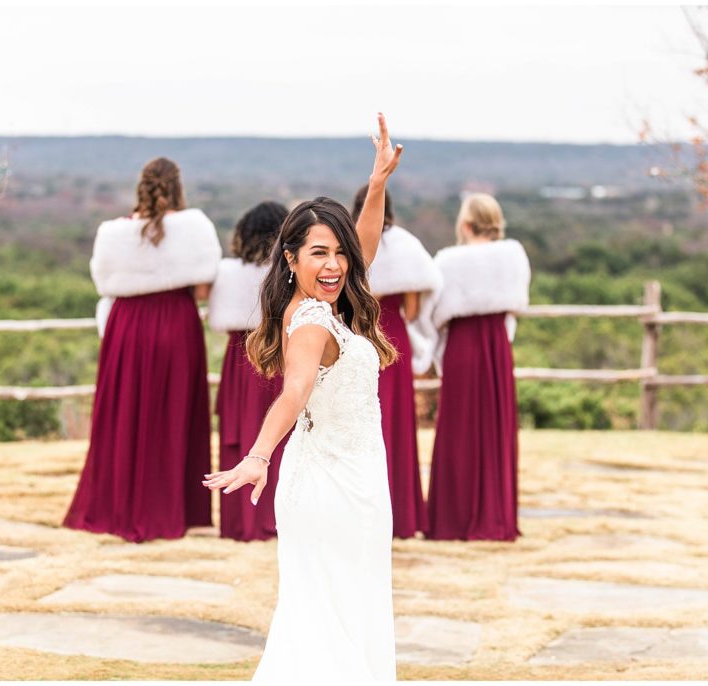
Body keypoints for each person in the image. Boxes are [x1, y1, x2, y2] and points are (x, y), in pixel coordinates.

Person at [203, 114, 403, 680]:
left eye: (338, 253)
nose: (335, 264)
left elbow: (363, 246)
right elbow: (293, 393)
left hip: (355, 478)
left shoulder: (327, 298)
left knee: (346, 609)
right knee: (330, 615)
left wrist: (378, 182)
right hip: (332, 487)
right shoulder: (314, 318)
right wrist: (257, 456)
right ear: (289, 259)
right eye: (318, 253)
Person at [64, 157, 222, 543]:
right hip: (175, 323)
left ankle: (118, 506)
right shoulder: (195, 228)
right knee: (173, 413)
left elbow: (105, 284)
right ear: (177, 187)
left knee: (125, 412)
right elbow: (203, 290)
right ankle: (172, 509)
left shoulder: (113, 233)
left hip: (127, 327)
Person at [426, 193, 530, 541]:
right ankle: (495, 515)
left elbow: (433, 314)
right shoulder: (514, 255)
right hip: (497, 344)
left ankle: (454, 518)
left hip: (463, 346)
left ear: (466, 224)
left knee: (459, 427)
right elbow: (517, 305)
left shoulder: (448, 261)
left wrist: (432, 352)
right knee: (495, 426)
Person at [351, 185, 441, 538]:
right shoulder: (407, 246)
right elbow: (415, 309)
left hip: (360, 335)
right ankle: (401, 514)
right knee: (398, 425)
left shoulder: (350, 243)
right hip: (395, 337)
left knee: (361, 421)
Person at [208, 201, 290, 541]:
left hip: (239, 359)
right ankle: (280, 518)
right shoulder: (285, 273)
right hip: (280, 353)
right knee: (283, 435)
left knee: (241, 432)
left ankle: (240, 522)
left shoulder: (226, 273)